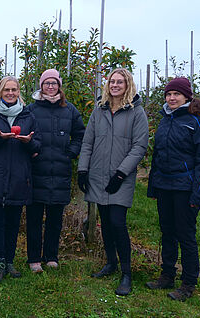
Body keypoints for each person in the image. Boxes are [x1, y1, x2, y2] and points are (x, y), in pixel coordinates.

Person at [77, 68, 148, 296]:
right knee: (105, 222)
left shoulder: (137, 113)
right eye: (112, 82)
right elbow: (88, 142)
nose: (115, 85)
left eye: (120, 82)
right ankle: (111, 263)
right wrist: (83, 169)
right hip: (98, 175)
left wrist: (121, 174)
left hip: (120, 177)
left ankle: (126, 273)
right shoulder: (99, 110)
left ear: (128, 85)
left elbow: (139, 147)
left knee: (118, 222)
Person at [146, 77, 200, 301]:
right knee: (167, 232)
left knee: (186, 235)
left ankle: (189, 283)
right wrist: (153, 186)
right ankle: (167, 275)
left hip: (184, 188)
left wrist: (198, 193)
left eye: (176, 94)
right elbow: (158, 155)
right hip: (164, 186)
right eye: (168, 94)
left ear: (186, 96)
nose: (171, 98)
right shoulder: (165, 120)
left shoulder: (197, 121)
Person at [0, 76, 41, 284]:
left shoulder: (28, 115)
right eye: (6, 90)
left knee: (13, 221)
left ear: (18, 92)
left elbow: (38, 145)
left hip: (19, 177)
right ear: (0, 92)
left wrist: (29, 142)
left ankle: (9, 260)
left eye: (14, 89)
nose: (10, 93)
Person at [26, 69, 85, 273]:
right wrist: (31, 150)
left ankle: (51, 256)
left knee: (55, 219)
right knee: (34, 218)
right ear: (41, 86)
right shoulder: (31, 110)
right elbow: (24, 135)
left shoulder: (69, 110)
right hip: (36, 169)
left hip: (60, 170)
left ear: (59, 86)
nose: (50, 87)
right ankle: (34, 258)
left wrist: (72, 152)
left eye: (54, 83)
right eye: (46, 83)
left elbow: (80, 134)